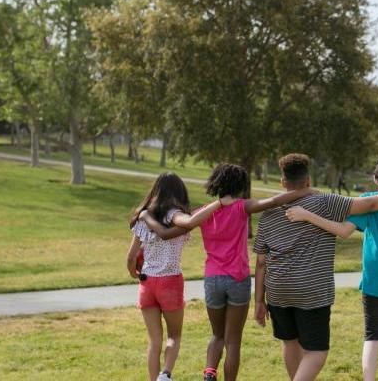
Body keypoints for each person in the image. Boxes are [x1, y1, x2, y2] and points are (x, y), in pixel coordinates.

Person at [142, 163, 318, 381]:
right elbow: (273, 201)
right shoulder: (243, 207)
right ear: (241, 186)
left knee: (217, 335)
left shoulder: (203, 212)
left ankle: (209, 372)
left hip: (213, 280)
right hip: (238, 279)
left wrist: (146, 217)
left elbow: (169, 231)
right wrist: (307, 191)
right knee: (233, 340)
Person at [253, 153, 378, 381]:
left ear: (283, 182)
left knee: (289, 341)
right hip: (312, 290)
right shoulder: (325, 202)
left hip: (278, 290)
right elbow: (369, 204)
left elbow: (261, 261)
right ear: (308, 181)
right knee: (317, 351)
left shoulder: (268, 214)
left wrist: (258, 301)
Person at [125, 172, 192, 381]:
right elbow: (188, 223)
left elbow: (131, 256)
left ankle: (155, 379)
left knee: (154, 341)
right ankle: (166, 374)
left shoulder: (144, 217)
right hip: (170, 281)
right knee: (174, 335)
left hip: (147, 282)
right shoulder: (176, 216)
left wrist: (133, 272)